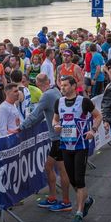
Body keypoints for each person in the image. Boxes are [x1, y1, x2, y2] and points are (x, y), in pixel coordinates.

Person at [52, 76, 104, 222]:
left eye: (66, 85)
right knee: (73, 179)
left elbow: (98, 116)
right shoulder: (59, 102)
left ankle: (79, 213)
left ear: (74, 86)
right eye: (61, 85)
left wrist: (93, 130)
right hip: (65, 146)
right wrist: (56, 125)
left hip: (80, 145)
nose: (62, 88)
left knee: (79, 180)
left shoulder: (84, 101)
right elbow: (55, 120)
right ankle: (87, 200)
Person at [19, 74, 71, 212]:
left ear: (37, 84)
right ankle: (53, 197)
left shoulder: (46, 95)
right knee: (50, 167)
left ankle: (65, 201)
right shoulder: (55, 91)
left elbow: (35, 114)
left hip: (58, 137)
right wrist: (28, 125)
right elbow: (42, 114)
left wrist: (21, 127)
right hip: (59, 136)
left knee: (59, 169)